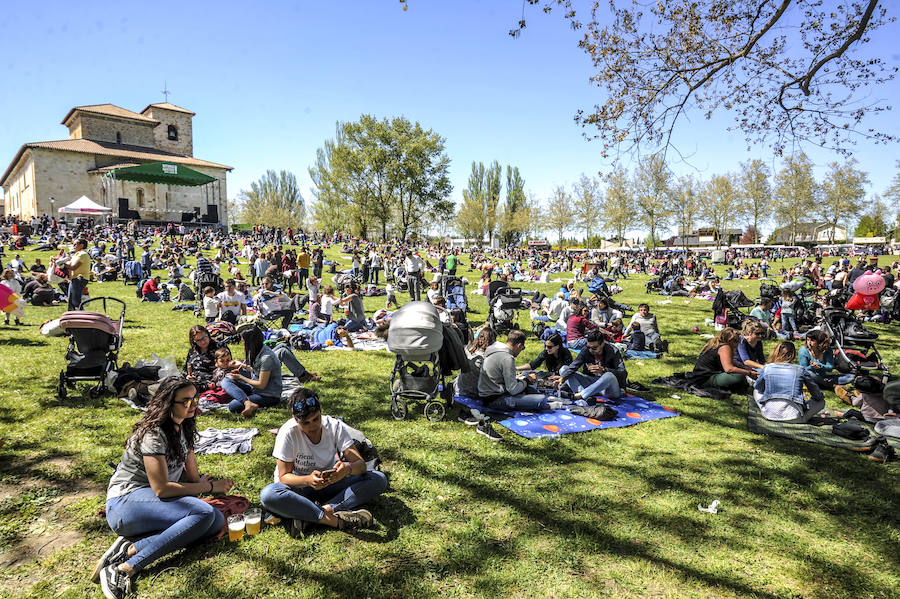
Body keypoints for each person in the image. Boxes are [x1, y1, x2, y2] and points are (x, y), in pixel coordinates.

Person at [95, 377, 233, 599]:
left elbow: (192, 476)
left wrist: (201, 484)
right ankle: (124, 568)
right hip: (125, 502)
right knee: (203, 512)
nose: (193, 405)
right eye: (186, 402)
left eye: (195, 399)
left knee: (215, 521)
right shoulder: (154, 433)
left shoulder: (184, 426)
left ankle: (130, 547)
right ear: (168, 403)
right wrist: (208, 487)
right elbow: (162, 489)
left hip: (153, 504)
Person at [259, 389, 387, 537]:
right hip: (299, 489)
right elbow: (284, 477)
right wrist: (307, 480)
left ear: (321, 411)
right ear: (295, 419)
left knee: (378, 478)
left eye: (316, 419)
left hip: (331, 483)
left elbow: (361, 465)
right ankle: (334, 520)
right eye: (305, 423)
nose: (312, 426)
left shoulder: (334, 426)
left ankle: (312, 514)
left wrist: (347, 469)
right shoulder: (288, 432)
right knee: (268, 494)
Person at [478, 329, 553, 413]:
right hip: (495, 400)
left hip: (488, 394)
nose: (521, 351)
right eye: (522, 348)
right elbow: (513, 390)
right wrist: (527, 380)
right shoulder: (507, 358)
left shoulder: (496, 350)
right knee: (541, 400)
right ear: (519, 345)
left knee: (528, 389)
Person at [753, 342, 825, 423]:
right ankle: (803, 417)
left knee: (756, 391)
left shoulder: (767, 368)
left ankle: (767, 408)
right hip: (794, 417)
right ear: (793, 354)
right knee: (821, 401)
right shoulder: (800, 370)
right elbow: (817, 394)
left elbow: (758, 387)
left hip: (768, 415)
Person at [219, 328, 283, 417]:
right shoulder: (258, 351)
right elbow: (257, 370)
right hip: (255, 389)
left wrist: (241, 377)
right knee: (226, 380)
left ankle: (246, 402)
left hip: (268, 395)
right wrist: (242, 365)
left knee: (233, 406)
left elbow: (261, 385)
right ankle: (248, 403)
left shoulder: (267, 358)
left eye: (244, 342)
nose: (242, 344)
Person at [559, 330, 628, 401]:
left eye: (594, 348)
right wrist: (562, 378)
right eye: (589, 347)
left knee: (609, 375)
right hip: (590, 383)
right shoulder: (586, 350)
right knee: (564, 369)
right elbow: (573, 366)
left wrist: (604, 370)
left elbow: (623, 373)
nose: (590, 350)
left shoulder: (613, 351)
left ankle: (581, 395)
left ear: (602, 344)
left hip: (608, 389)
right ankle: (584, 396)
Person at [689, 327, 756, 393]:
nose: (738, 343)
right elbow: (729, 369)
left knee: (741, 373)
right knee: (740, 376)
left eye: (738, 340)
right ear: (729, 340)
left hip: (699, 376)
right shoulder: (725, 347)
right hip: (706, 379)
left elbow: (730, 361)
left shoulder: (717, 344)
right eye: (736, 341)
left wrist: (744, 368)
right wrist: (749, 373)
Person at [183, 325, 223, 389]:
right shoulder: (192, 351)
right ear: (194, 341)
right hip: (193, 384)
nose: (203, 342)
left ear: (208, 335)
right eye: (198, 340)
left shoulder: (219, 347)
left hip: (212, 384)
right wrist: (188, 376)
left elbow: (227, 365)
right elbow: (185, 370)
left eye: (204, 338)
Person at [67, 238, 91, 310]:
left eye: (75, 244)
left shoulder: (83, 254)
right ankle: (71, 317)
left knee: (76, 301)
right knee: (71, 300)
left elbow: (73, 267)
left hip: (80, 279)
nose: (73, 246)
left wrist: (62, 263)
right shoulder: (76, 254)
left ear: (81, 245)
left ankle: (81, 317)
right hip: (74, 279)